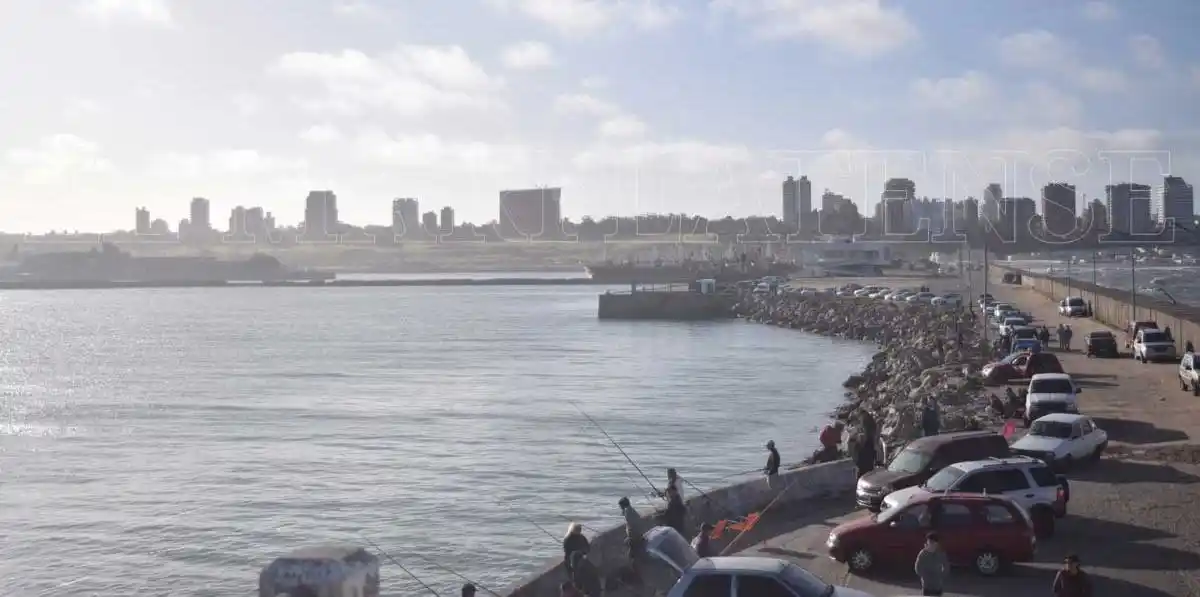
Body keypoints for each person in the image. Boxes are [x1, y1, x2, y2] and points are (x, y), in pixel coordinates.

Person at [914, 532, 949, 596]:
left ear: (937, 543)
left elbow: (946, 566)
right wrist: (924, 576)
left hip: (938, 585)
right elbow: (917, 567)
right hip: (927, 585)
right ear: (927, 542)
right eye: (930, 542)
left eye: (933, 542)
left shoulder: (941, 553)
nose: (932, 544)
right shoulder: (923, 553)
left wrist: (941, 576)